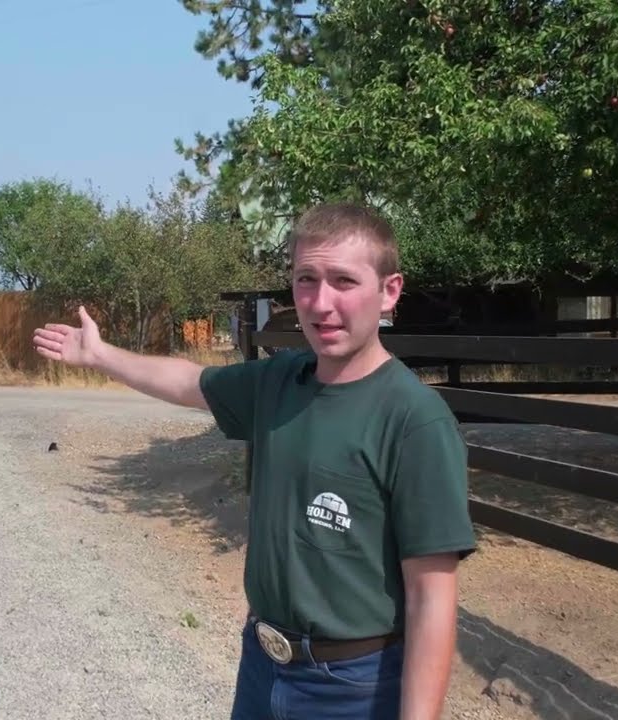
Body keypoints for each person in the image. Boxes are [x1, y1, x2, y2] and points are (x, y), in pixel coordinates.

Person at [32, 202, 476, 719]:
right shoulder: (278, 381)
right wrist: (100, 355)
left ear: (389, 291)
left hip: (354, 688)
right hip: (263, 666)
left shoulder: (414, 420)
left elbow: (431, 598)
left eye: (344, 281)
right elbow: (188, 381)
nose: (321, 303)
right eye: (306, 279)